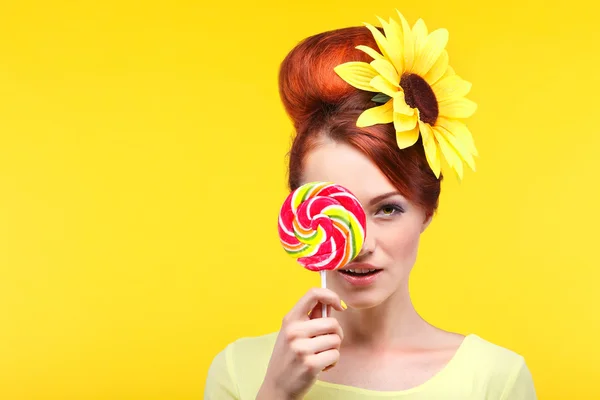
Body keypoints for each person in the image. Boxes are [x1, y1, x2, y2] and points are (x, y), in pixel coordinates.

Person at [204, 9, 537, 400]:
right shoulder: (239, 369)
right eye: (336, 207)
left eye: (387, 209)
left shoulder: (495, 378)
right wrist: (275, 391)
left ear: (426, 212)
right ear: (300, 210)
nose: (359, 243)